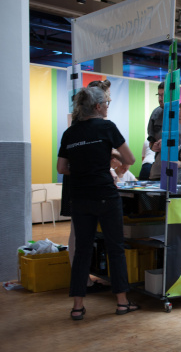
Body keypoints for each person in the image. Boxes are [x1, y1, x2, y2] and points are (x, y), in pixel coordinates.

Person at [57, 86, 138, 320]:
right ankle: (122, 302)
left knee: (82, 250)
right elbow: (131, 159)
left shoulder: (69, 133)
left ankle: (77, 306)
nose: (107, 107)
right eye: (106, 104)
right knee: (115, 248)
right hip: (105, 195)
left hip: (80, 197)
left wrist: (83, 168)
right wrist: (112, 155)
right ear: (97, 106)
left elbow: (62, 168)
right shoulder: (107, 127)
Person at [63, 79, 112, 295]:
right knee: (78, 234)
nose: (108, 103)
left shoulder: (79, 123)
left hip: (80, 181)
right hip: (81, 182)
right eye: (107, 100)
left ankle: (83, 279)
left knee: (79, 233)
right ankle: (82, 281)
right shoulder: (83, 126)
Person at [147, 82, 164, 180]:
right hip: (158, 170)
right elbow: (150, 142)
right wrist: (153, 146)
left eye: (163, 95)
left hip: (177, 170)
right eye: (159, 95)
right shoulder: (155, 114)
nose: (160, 99)